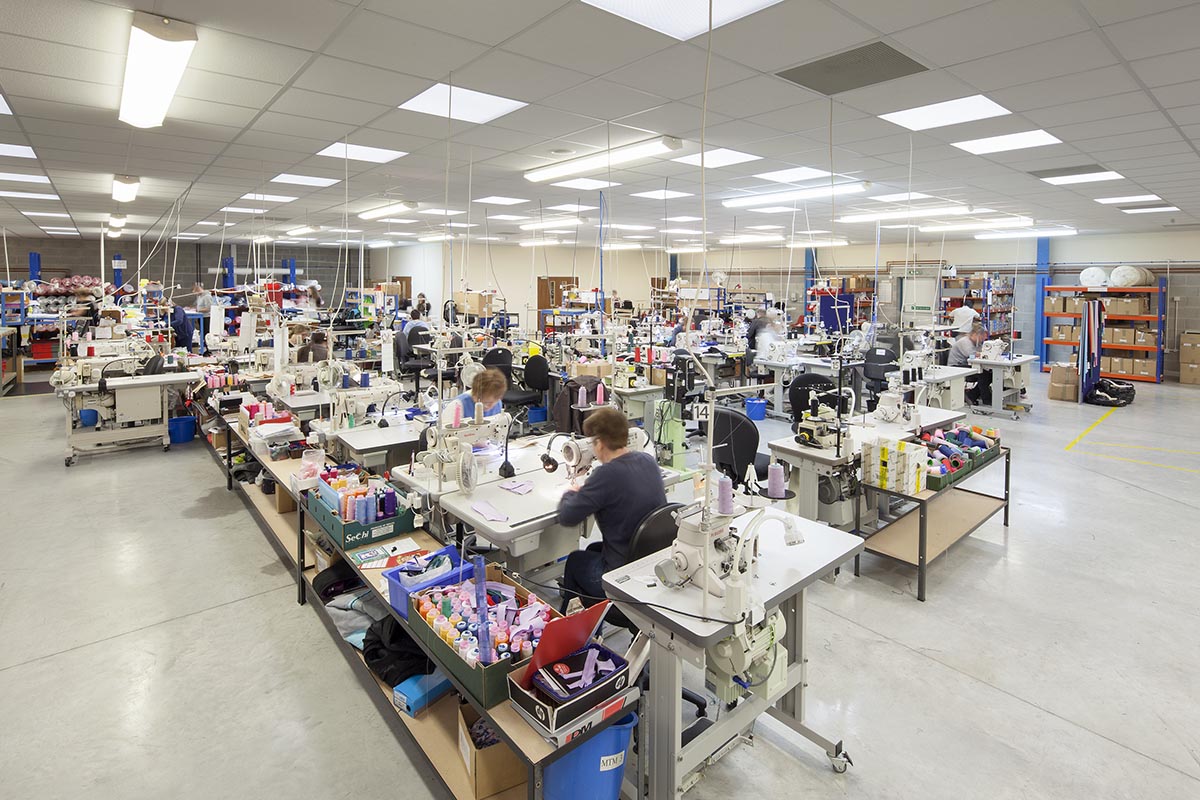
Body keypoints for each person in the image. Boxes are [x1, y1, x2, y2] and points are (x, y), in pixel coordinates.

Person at [557, 407, 668, 609]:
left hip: (621, 577)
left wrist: (570, 492)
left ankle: (573, 623)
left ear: (599, 443)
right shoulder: (648, 461)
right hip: (650, 564)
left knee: (575, 560)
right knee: (592, 549)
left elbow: (567, 516)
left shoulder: (605, 475)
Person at [440, 368, 507, 425]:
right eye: (484, 402)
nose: (486, 406)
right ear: (474, 393)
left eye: (491, 403)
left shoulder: (498, 403)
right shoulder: (457, 406)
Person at [950, 323, 990, 404]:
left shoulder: (976, 342)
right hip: (957, 366)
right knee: (984, 375)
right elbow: (971, 355)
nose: (983, 339)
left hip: (967, 364)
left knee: (989, 374)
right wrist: (986, 354)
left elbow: (980, 352)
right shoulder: (965, 342)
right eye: (982, 337)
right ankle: (986, 399)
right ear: (976, 334)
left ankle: (972, 395)